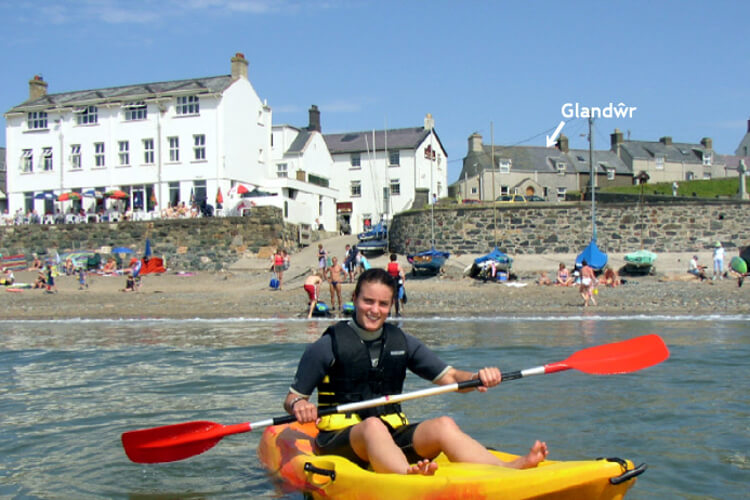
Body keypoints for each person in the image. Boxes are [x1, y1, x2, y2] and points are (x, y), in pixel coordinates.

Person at [284, 268, 548, 475]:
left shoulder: (402, 342)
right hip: (338, 440)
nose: (375, 310)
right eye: (368, 301)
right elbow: (292, 399)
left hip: (390, 434)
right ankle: (405, 478)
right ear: (354, 299)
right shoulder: (326, 346)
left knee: (444, 424)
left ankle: (504, 468)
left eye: (383, 304)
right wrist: (300, 406)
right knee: (373, 426)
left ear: (391, 305)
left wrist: (478, 377)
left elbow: (452, 378)